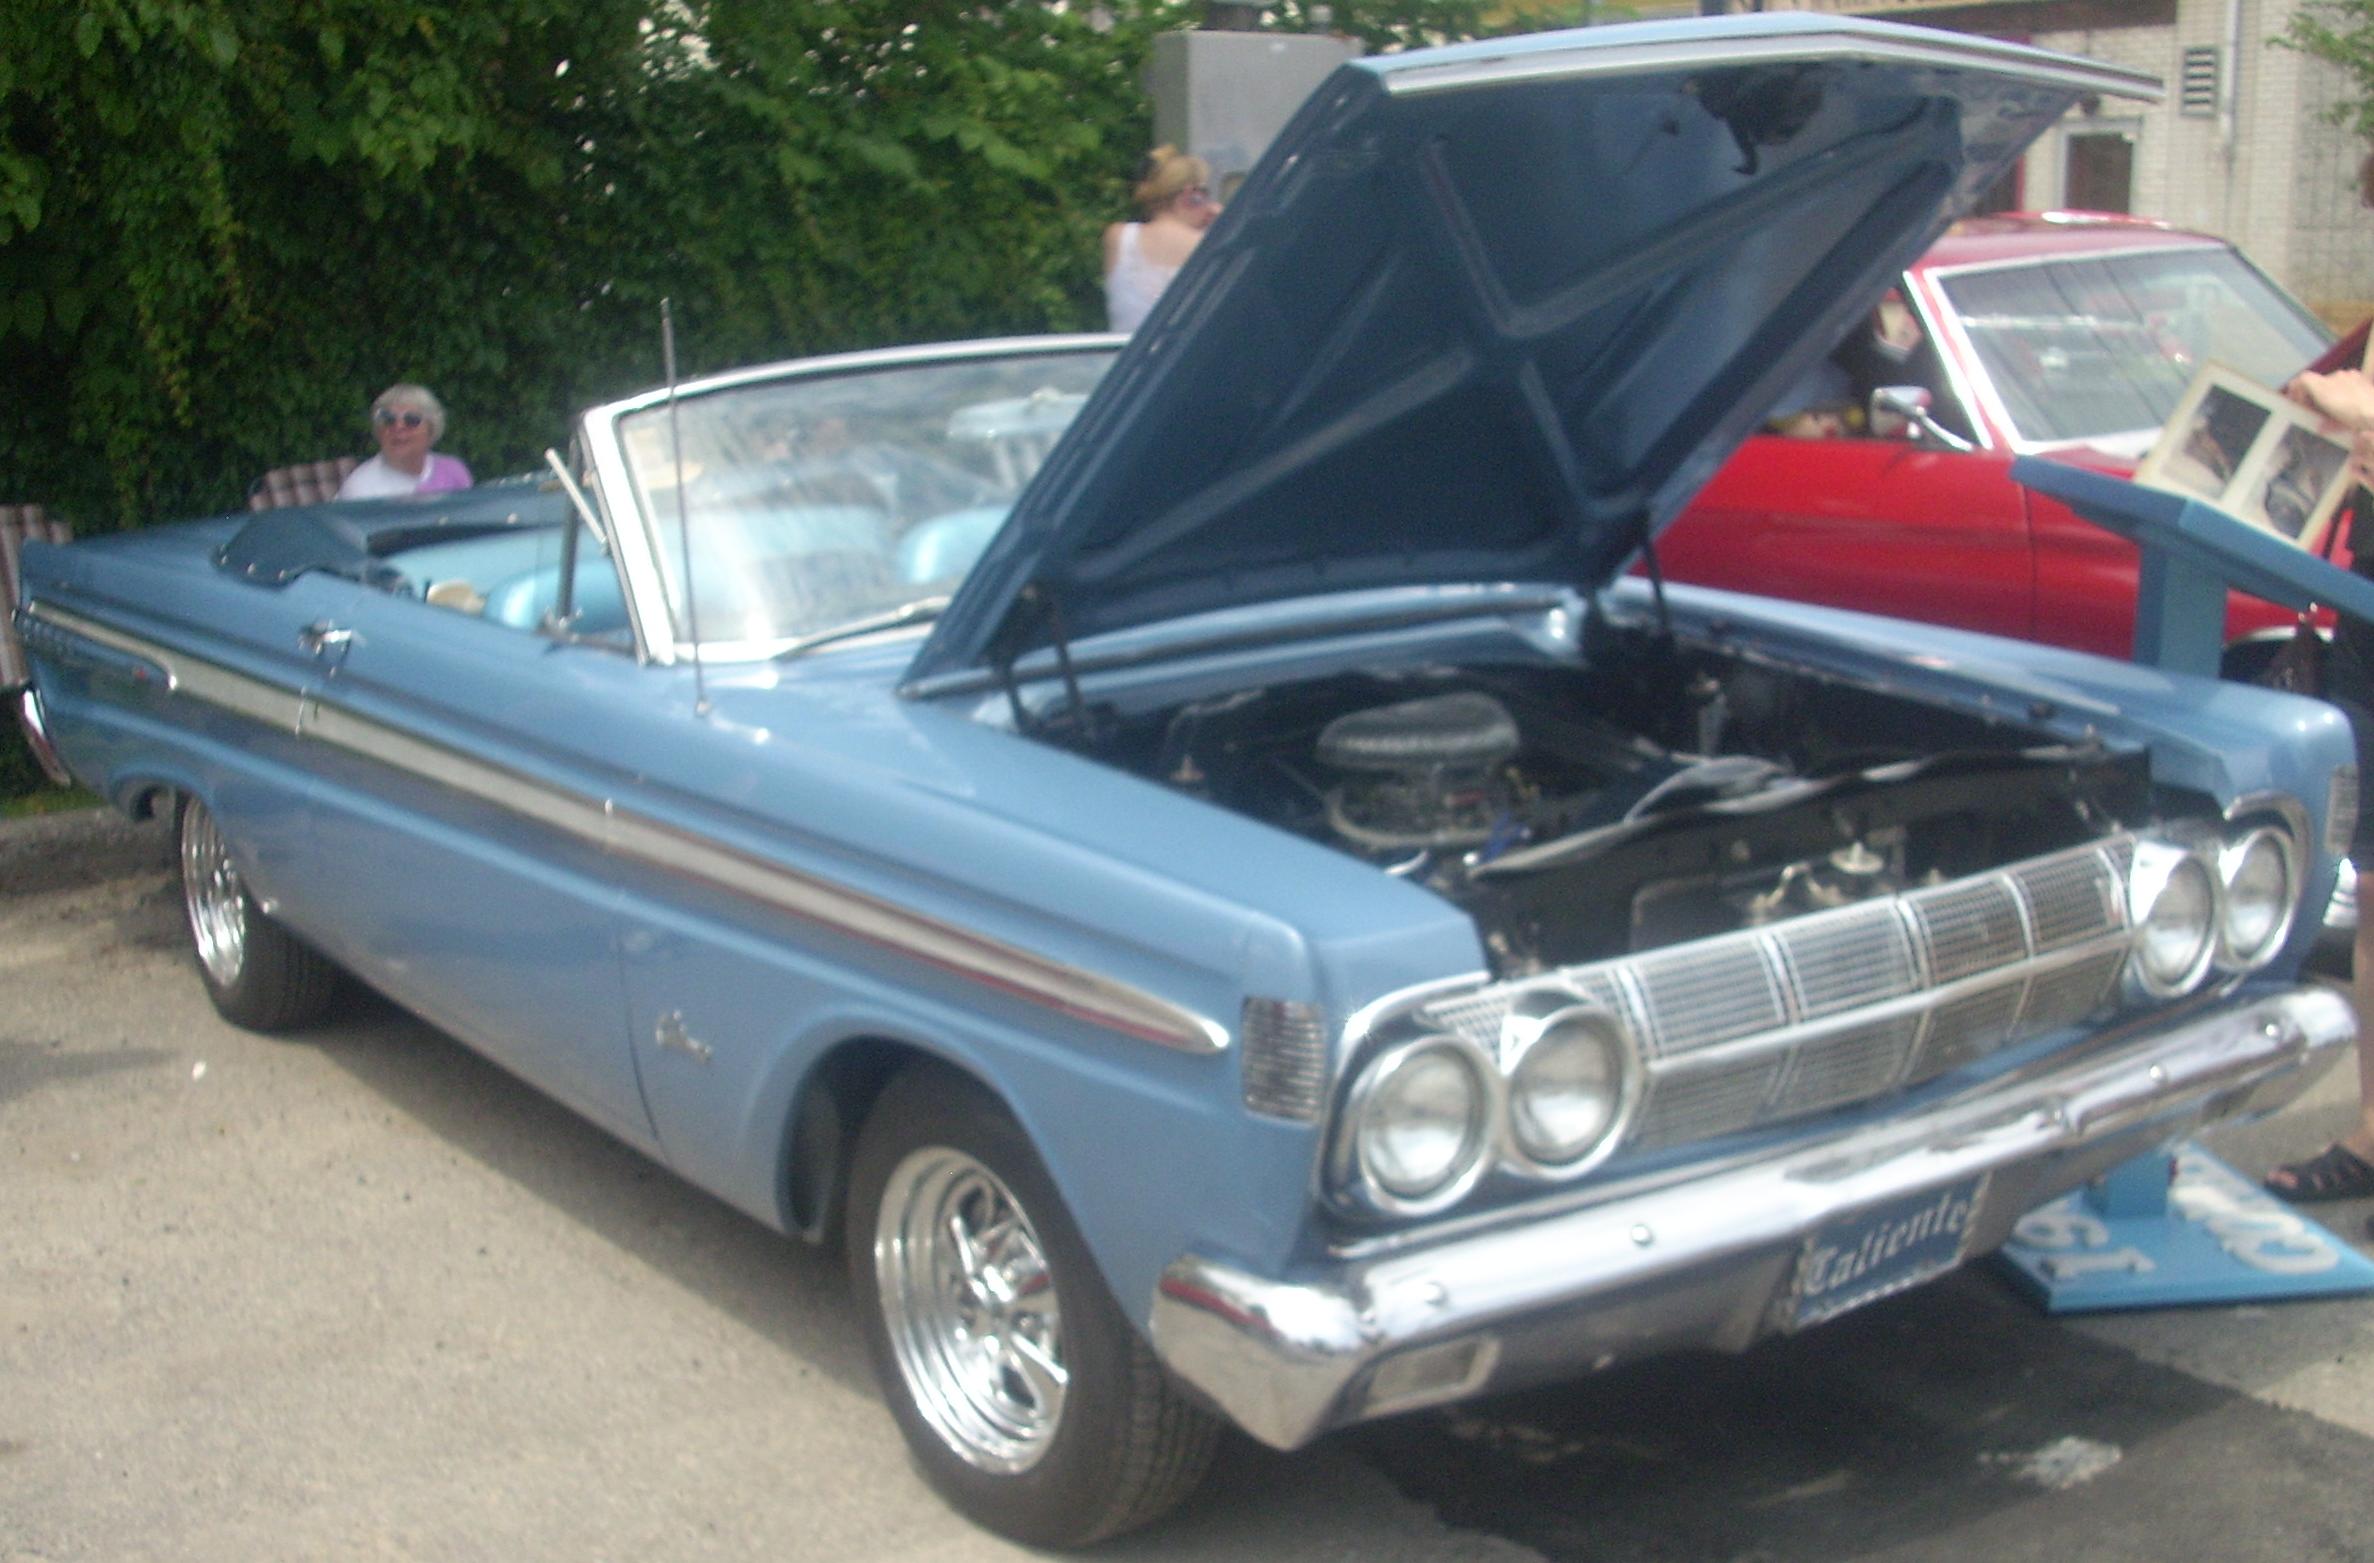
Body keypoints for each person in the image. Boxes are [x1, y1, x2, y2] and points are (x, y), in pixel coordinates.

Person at [1102, 147, 1221, 333]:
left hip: (1127, 359)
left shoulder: (1118, 236)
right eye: (1205, 195)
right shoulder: (1208, 244)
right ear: (1191, 196)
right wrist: (1221, 224)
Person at [336, 383, 473, 500]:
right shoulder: (361, 488)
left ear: (431, 430)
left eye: (412, 420)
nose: (398, 427)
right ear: (378, 431)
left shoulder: (453, 470)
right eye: (388, 419)